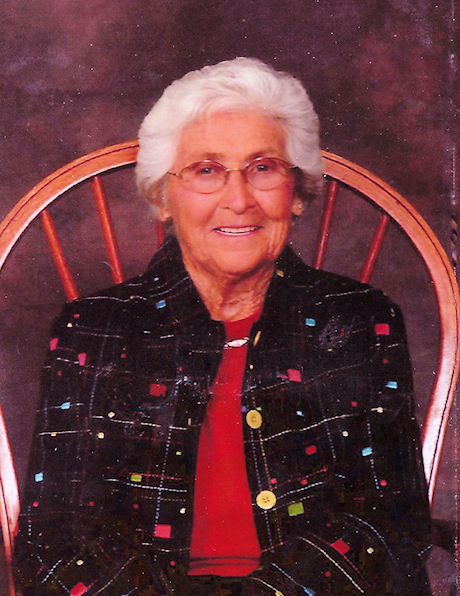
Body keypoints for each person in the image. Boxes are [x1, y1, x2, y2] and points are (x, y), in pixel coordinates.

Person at [13, 58, 432, 595]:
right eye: (207, 170)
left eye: (264, 168)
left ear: (297, 193)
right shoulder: (92, 331)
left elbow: (390, 524)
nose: (238, 199)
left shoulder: (359, 320)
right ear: (164, 197)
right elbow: (53, 543)